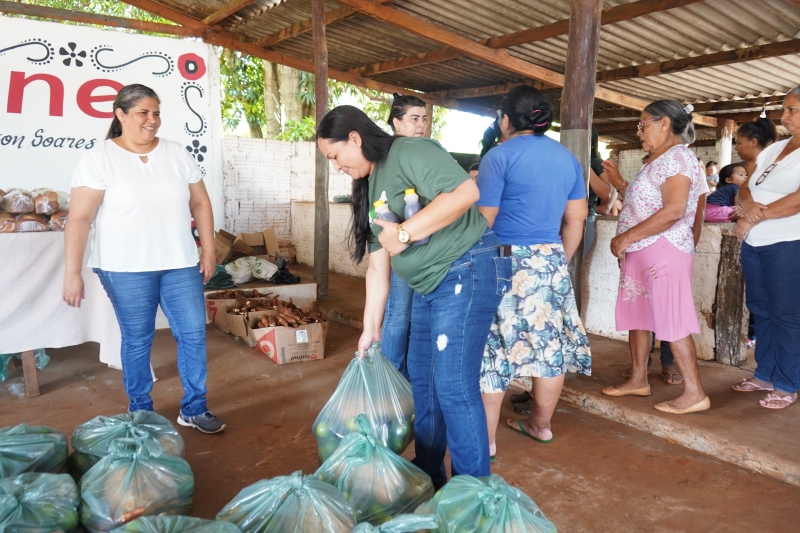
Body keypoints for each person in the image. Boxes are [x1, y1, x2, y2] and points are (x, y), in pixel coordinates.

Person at [316, 105, 511, 487]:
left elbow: (466, 191)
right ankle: (431, 479)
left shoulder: (407, 151)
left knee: (454, 388)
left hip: (465, 269)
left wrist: (403, 233)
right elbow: (377, 268)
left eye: (335, 155)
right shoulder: (370, 187)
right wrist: (370, 330)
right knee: (423, 386)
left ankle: (472, 497)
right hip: (427, 286)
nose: (336, 165)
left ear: (354, 138)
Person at [63, 84, 225, 433]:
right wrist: (72, 273)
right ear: (120, 115)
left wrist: (208, 248)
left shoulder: (178, 154)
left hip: (179, 262)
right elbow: (78, 218)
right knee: (138, 339)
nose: (152, 120)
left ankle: (195, 408)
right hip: (124, 267)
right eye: (143, 113)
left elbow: (200, 203)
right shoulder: (100, 158)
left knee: (194, 333)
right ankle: (142, 411)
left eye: (156, 112)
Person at [476, 86, 591, 458]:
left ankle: (487, 441)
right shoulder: (567, 158)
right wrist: (554, 259)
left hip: (503, 259)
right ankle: (540, 426)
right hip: (551, 260)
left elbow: (484, 220)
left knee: (491, 350)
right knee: (548, 348)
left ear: (505, 120)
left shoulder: (498, 156)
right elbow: (576, 219)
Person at [603, 99, 709, 415]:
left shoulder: (678, 158)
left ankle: (695, 393)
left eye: (643, 123)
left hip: (664, 250)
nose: (639, 131)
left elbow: (675, 210)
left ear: (665, 123)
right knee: (639, 317)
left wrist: (626, 236)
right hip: (642, 251)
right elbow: (644, 203)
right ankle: (638, 378)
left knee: (672, 318)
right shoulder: (656, 160)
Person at [732, 87, 800, 409]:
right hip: (755, 242)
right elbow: (746, 185)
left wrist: (754, 217)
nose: (784, 117)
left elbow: (798, 199)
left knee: (787, 315)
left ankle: (788, 383)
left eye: (792, 110)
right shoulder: (775, 150)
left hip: (789, 243)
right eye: (784, 110)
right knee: (762, 311)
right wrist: (749, 211)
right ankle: (766, 374)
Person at [380, 94, 428, 379]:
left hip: (419, 242)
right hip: (402, 241)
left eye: (423, 118)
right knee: (399, 312)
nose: (420, 124)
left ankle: (406, 377)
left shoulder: (418, 150)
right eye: (413, 118)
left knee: (412, 314)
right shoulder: (398, 152)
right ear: (397, 123)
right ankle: (390, 377)